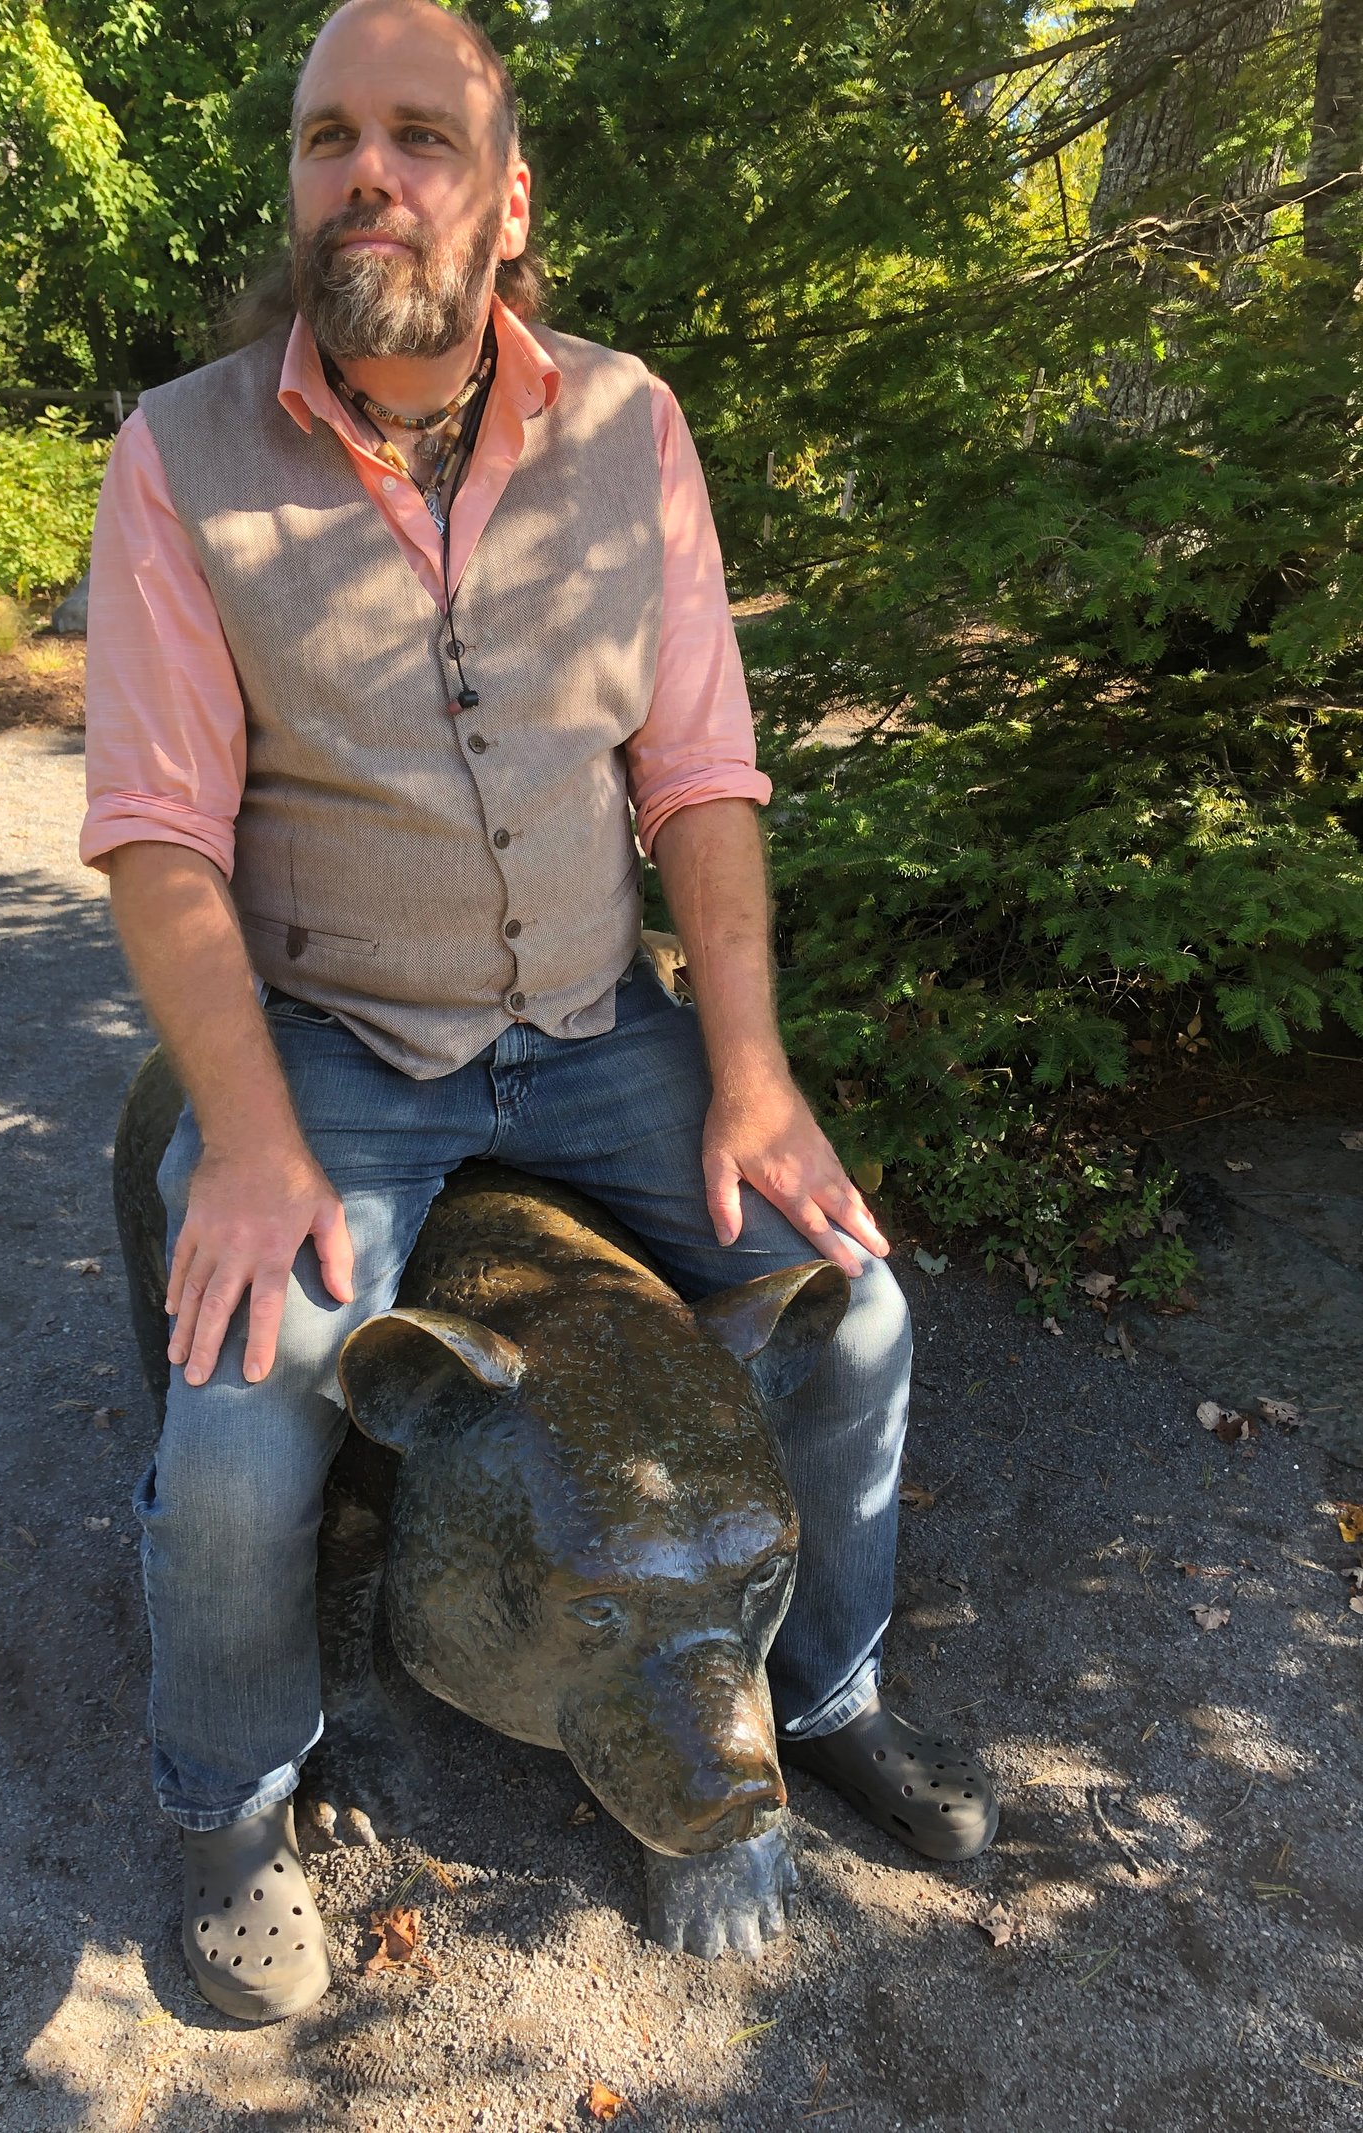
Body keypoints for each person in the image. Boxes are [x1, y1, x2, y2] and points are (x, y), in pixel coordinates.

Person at [81, 0, 997, 2023]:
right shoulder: (179, 457)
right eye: (329, 138)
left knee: (851, 1302)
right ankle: (227, 1796)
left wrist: (748, 1076)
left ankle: (815, 1691)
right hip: (336, 1045)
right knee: (239, 1429)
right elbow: (153, 834)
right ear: (298, 185)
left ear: (507, 199)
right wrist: (242, 1135)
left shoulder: (627, 423)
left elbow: (697, 773)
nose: (368, 175)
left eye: (419, 137)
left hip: (599, 1026)